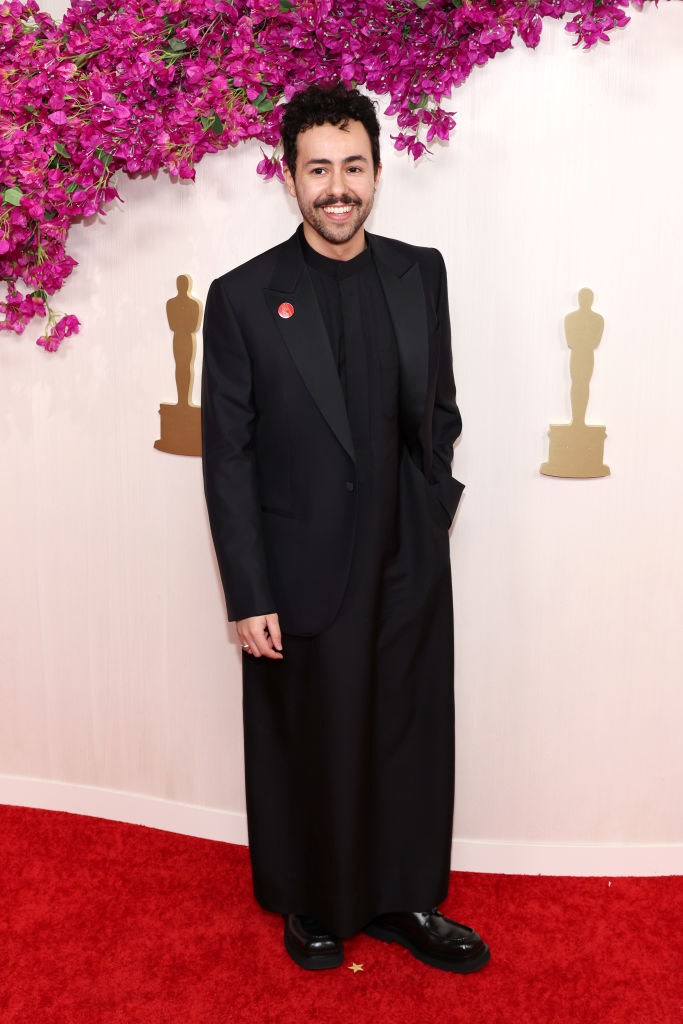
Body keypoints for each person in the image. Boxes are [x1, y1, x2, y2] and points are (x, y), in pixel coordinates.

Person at [201, 82, 490, 974]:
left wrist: (432, 502)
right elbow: (228, 455)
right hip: (299, 566)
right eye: (317, 168)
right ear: (287, 176)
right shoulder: (244, 296)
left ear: (376, 170)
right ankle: (312, 904)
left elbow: (437, 409)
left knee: (408, 733)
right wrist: (248, 591)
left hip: (407, 555)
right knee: (308, 738)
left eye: (352, 167)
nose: (338, 186)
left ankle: (405, 899)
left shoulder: (419, 271)